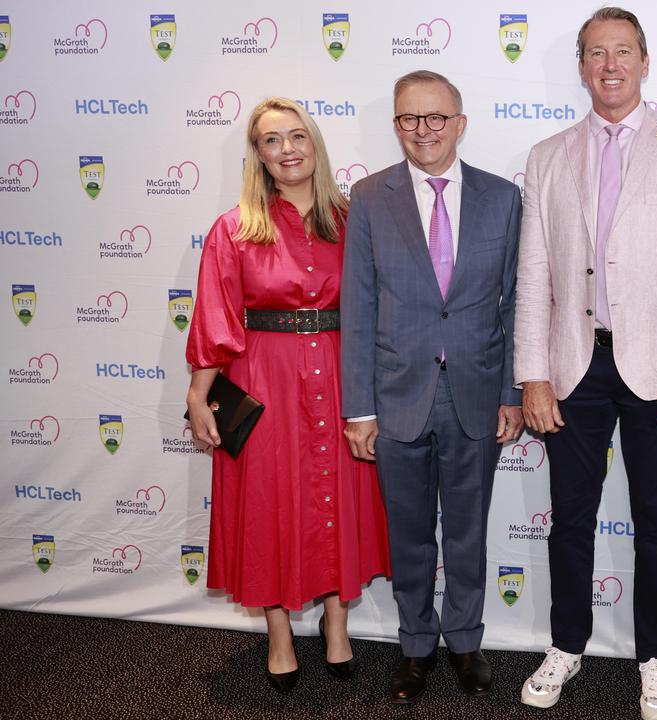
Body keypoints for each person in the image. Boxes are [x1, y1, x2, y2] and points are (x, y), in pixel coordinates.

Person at [513, 7, 657, 719]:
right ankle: (566, 645)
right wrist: (532, 374)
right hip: (572, 369)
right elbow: (534, 273)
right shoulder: (547, 156)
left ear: (644, 61)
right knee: (570, 518)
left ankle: (654, 658)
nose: (610, 65)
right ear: (580, 65)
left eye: (623, 51)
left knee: (656, 525)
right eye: (596, 53)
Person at [185, 97, 391, 694]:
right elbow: (216, 319)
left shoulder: (354, 220)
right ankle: (278, 634)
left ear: (315, 145)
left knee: (337, 493)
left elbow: (378, 309)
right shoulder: (235, 228)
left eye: (298, 136)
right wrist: (200, 399)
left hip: (339, 371)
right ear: (259, 155)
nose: (288, 149)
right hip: (262, 378)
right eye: (272, 141)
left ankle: (336, 624)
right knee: (267, 501)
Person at [340, 70, 523, 704]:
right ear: (396, 125)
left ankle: (466, 641)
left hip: (476, 393)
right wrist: (358, 407)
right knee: (410, 532)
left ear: (460, 122)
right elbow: (358, 307)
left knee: (468, 530)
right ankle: (415, 647)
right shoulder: (368, 197)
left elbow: (514, 306)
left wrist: (512, 392)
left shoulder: (503, 198)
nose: (423, 131)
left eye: (436, 118)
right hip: (396, 397)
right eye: (409, 119)